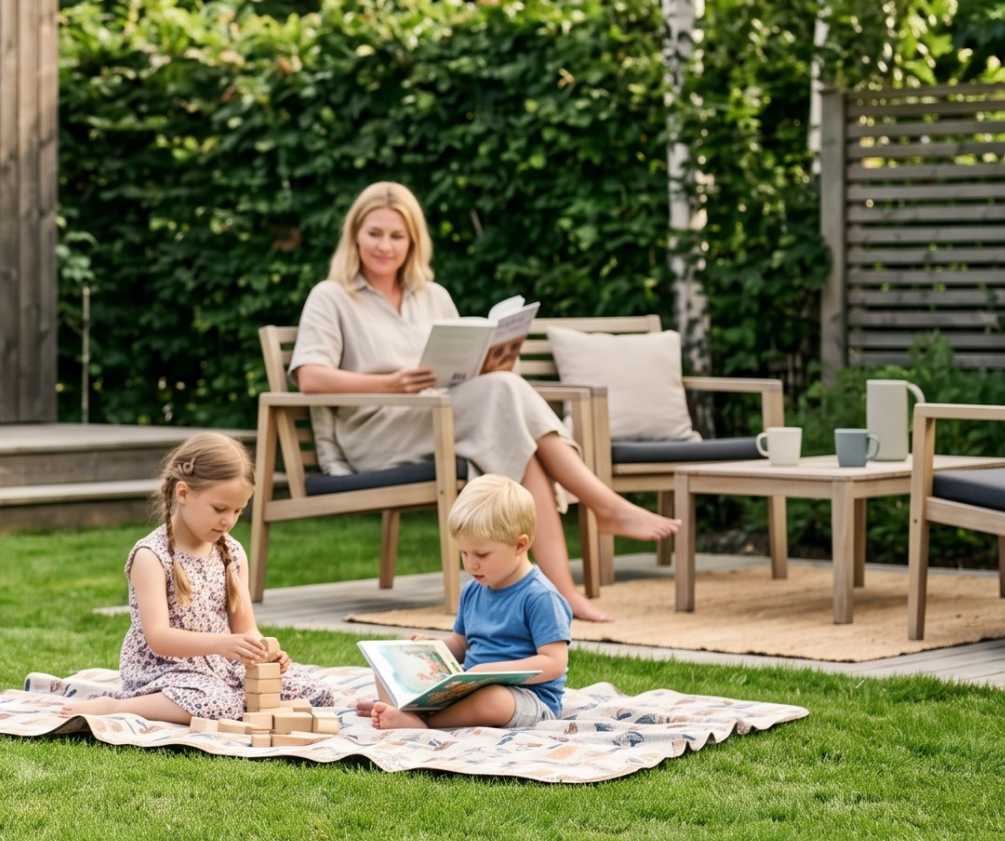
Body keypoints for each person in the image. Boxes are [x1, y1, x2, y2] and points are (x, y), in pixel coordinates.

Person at [287, 181, 678, 623]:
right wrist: (391, 383)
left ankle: (563, 590)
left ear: (413, 241)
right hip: (377, 434)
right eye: (374, 233)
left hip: (443, 420)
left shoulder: (432, 296)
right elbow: (310, 376)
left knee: (513, 424)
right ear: (355, 235)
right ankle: (603, 506)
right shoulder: (332, 296)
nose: (385, 246)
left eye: (397, 236)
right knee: (504, 396)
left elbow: (458, 365)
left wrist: (488, 362)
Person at [64, 434, 340, 723]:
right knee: (218, 704)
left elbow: (246, 628)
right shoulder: (151, 556)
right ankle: (117, 706)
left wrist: (266, 654)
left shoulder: (232, 553)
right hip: (167, 670)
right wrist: (221, 644)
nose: (228, 521)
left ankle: (237, 700)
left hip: (222, 668)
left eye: (238, 510)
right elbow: (159, 638)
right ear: (183, 493)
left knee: (317, 692)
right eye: (220, 509)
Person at [369, 475, 571, 730]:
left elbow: (554, 662)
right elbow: (461, 644)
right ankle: (399, 709)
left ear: (520, 545)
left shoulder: (540, 596)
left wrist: (490, 672)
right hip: (470, 689)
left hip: (527, 699)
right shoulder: (473, 590)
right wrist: (432, 651)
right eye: (464, 553)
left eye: (481, 554)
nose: (471, 564)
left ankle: (422, 723)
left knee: (493, 699)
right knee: (387, 667)